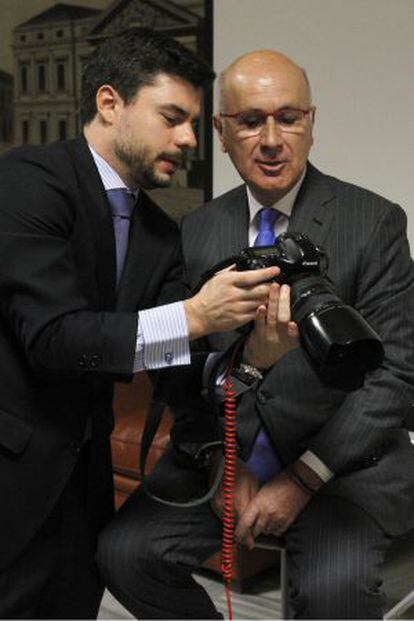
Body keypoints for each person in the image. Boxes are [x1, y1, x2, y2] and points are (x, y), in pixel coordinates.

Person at [96, 50, 414, 619]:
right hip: (224, 459)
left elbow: (394, 373)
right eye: (250, 121)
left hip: (338, 469)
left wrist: (300, 479)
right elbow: (180, 376)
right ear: (221, 133)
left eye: (288, 117)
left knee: (332, 595)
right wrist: (227, 461)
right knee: (124, 553)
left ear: (311, 124)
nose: (271, 139)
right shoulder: (191, 233)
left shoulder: (375, 222)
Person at [0, 31, 278, 620]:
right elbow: (53, 338)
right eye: (172, 117)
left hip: (83, 488)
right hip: (13, 471)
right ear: (110, 104)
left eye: (194, 125)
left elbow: (180, 367)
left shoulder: (158, 232)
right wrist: (196, 313)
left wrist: (255, 354)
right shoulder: (28, 181)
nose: (187, 141)